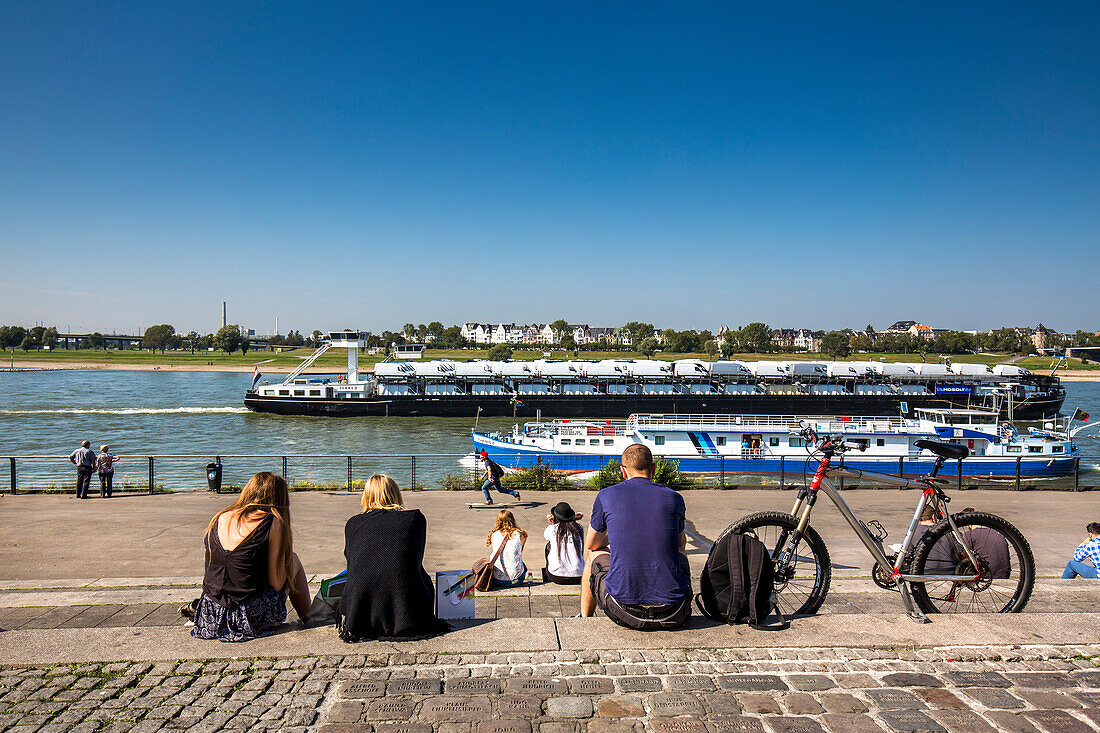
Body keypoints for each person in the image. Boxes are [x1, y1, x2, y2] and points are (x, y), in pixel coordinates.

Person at [580, 444, 692, 629]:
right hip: (675, 610)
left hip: (624, 609)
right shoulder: (675, 498)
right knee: (680, 549)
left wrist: (613, 535)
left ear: (623, 471)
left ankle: (585, 618)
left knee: (592, 555)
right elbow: (680, 542)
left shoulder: (606, 495)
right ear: (654, 468)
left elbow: (591, 544)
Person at [191, 472, 311, 642]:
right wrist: (287, 565)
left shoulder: (220, 517)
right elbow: (276, 583)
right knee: (293, 559)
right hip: (247, 619)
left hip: (209, 615)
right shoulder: (272, 521)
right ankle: (309, 617)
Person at [339, 474, 449, 641]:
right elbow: (413, 559)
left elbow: (352, 559)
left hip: (360, 610)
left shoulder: (353, 523)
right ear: (396, 494)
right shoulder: (414, 519)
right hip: (406, 608)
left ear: (366, 496)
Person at [958, 507, 1011, 579]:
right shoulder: (997, 532)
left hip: (987, 575)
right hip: (1005, 574)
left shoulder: (969, 534)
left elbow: (965, 558)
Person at [542, 502, 585, 585]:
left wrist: (553, 524)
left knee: (548, 546)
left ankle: (549, 572)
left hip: (556, 576)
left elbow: (546, 537)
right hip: (579, 576)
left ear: (556, 517)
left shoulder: (551, 529)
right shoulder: (579, 528)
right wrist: (574, 519)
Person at [486, 509, 527, 588]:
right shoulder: (520, 534)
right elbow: (519, 551)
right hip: (516, 580)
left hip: (498, 580)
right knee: (522, 564)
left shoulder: (494, 534)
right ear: (512, 519)